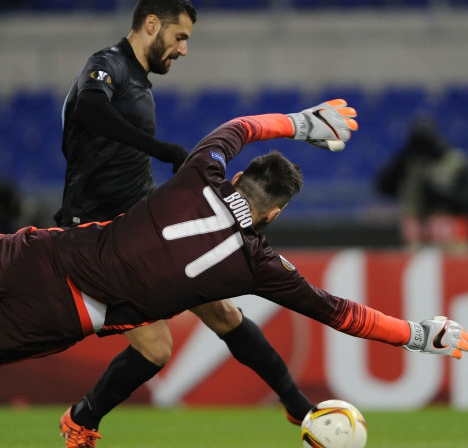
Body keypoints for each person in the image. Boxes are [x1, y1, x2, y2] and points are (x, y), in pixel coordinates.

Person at [0, 100, 468, 440]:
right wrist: (419, 336)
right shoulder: (257, 264)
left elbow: (240, 127)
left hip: (45, 253)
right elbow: (340, 312)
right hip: (65, 316)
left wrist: (304, 122)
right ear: (273, 214)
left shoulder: (202, 172)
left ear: (242, 186)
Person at [56, 1, 311, 445]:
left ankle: (299, 407)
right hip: (98, 232)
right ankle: (82, 419)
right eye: (180, 37)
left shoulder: (139, 81)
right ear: (151, 25)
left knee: (223, 311)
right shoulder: (106, 65)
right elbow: (89, 111)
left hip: (140, 219)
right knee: (156, 349)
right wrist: (159, 148)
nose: (184, 49)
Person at [375, 117, 468, 253]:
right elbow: (383, 187)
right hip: (415, 231)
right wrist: (405, 156)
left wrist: (440, 194)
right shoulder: (409, 162)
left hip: (451, 232)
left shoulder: (456, 162)